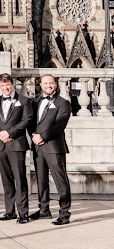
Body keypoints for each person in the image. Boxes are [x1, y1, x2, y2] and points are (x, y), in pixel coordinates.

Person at [29, 74, 72, 226]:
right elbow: (29, 122)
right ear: (40, 85)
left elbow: (59, 125)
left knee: (61, 180)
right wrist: (34, 137)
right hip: (38, 147)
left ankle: (64, 213)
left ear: (55, 84)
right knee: (41, 180)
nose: (49, 85)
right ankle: (44, 210)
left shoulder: (63, 103)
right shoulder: (34, 102)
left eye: (51, 83)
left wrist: (42, 137)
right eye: (45, 83)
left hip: (54, 147)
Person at [0, 73, 33, 224]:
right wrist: (0, 134)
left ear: (12, 84)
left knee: (20, 179)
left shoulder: (24, 100)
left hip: (16, 144)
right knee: (6, 180)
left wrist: (10, 133)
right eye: (3, 86)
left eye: (8, 84)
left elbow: (26, 120)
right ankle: (10, 211)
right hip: (0, 145)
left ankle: (23, 213)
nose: (6, 88)